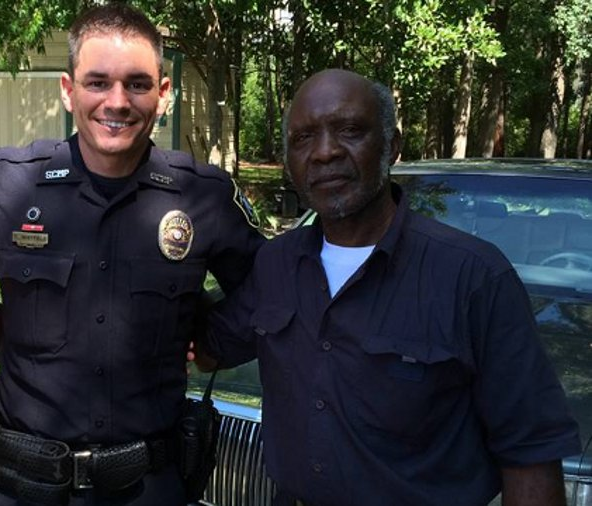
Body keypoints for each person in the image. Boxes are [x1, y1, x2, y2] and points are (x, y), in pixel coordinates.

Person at [0, 3, 265, 504]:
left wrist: (216, 339)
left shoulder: (203, 196)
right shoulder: (12, 182)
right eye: (98, 82)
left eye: (138, 84)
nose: (117, 101)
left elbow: (275, 285)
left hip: (150, 483)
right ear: (69, 91)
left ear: (163, 94)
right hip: (25, 484)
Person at [200, 69, 581, 506]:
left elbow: (530, 452)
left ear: (392, 146)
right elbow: (211, 346)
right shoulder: (276, 263)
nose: (324, 152)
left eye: (349, 130)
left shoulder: (473, 277)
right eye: (304, 138)